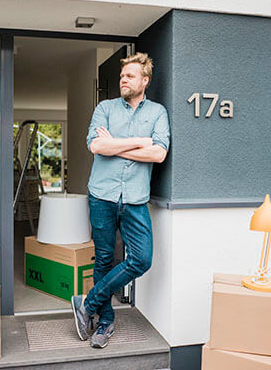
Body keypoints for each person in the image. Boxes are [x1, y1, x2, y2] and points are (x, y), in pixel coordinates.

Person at [71, 52, 170, 349]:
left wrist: (115, 146)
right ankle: (104, 321)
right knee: (103, 258)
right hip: (102, 195)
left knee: (141, 259)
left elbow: (159, 154)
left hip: (136, 199)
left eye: (129, 76)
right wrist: (139, 141)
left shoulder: (157, 113)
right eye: (122, 76)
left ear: (145, 81)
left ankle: (87, 302)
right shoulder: (105, 108)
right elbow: (96, 145)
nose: (123, 80)